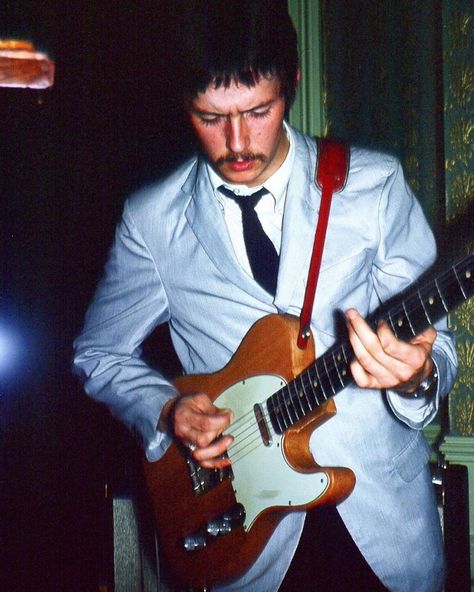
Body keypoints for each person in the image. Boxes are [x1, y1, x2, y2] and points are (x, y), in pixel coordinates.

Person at [73, 3, 457, 591]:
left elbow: (440, 349)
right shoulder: (152, 220)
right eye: (210, 116)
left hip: (382, 532)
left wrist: (415, 375)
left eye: (259, 111)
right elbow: (98, 354)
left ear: (293, 85)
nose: (237, 143)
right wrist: (166, 409)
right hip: (244, 542)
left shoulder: (373, 186)